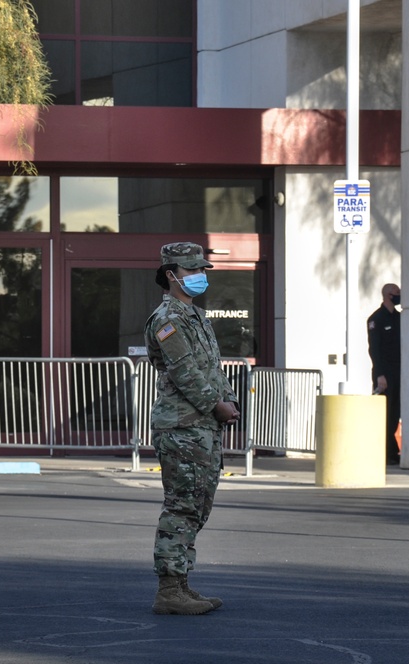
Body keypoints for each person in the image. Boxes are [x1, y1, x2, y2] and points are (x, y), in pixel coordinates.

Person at [144, 242, 240, 615]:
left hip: (201, 426)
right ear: (172, 275)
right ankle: (169, 588)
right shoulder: (167, 318)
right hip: (182, 426)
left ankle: (181, 584)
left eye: (202, 270)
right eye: (191, 270)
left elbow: (212, 367)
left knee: (198, 506)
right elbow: (184, 372)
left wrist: (230, 401)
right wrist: (216, 405)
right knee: (181, 506)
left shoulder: (195, 315)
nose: (199, 276)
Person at [367, 283, 401, 465]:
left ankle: (391, 450)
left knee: (395, 412)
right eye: (397, 292)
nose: (399, 295)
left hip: (399, 370)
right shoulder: (376, 319)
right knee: (385, 412)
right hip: (384, 371)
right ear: (388, 295)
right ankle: (389, 451)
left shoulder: (400, 318)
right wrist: (380, 374)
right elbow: (374, 349)